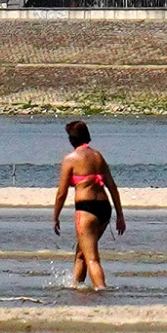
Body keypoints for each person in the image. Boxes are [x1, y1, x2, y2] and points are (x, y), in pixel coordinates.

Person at [50, 119, 124, 291]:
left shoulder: (70, 159)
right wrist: (120, 215)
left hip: (86, 209)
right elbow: (112, 187)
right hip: (104, 209)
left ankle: (101, 289)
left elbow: (61, 193)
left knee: (92, 258)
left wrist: (55, 217)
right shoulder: (98, 156)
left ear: (71, 139)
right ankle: (76, 288)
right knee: (81, 253)